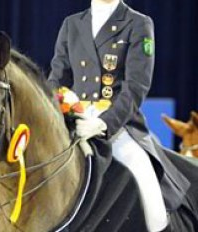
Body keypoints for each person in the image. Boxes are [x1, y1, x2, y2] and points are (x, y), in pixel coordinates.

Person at [48, 0, 190, 231]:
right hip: (75, 121)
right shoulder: (72, 24)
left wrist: (104, 123)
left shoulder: (138, 23)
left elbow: (136, 87)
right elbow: (57, 79)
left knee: (150, 195)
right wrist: (57, 113)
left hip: (117, 125)